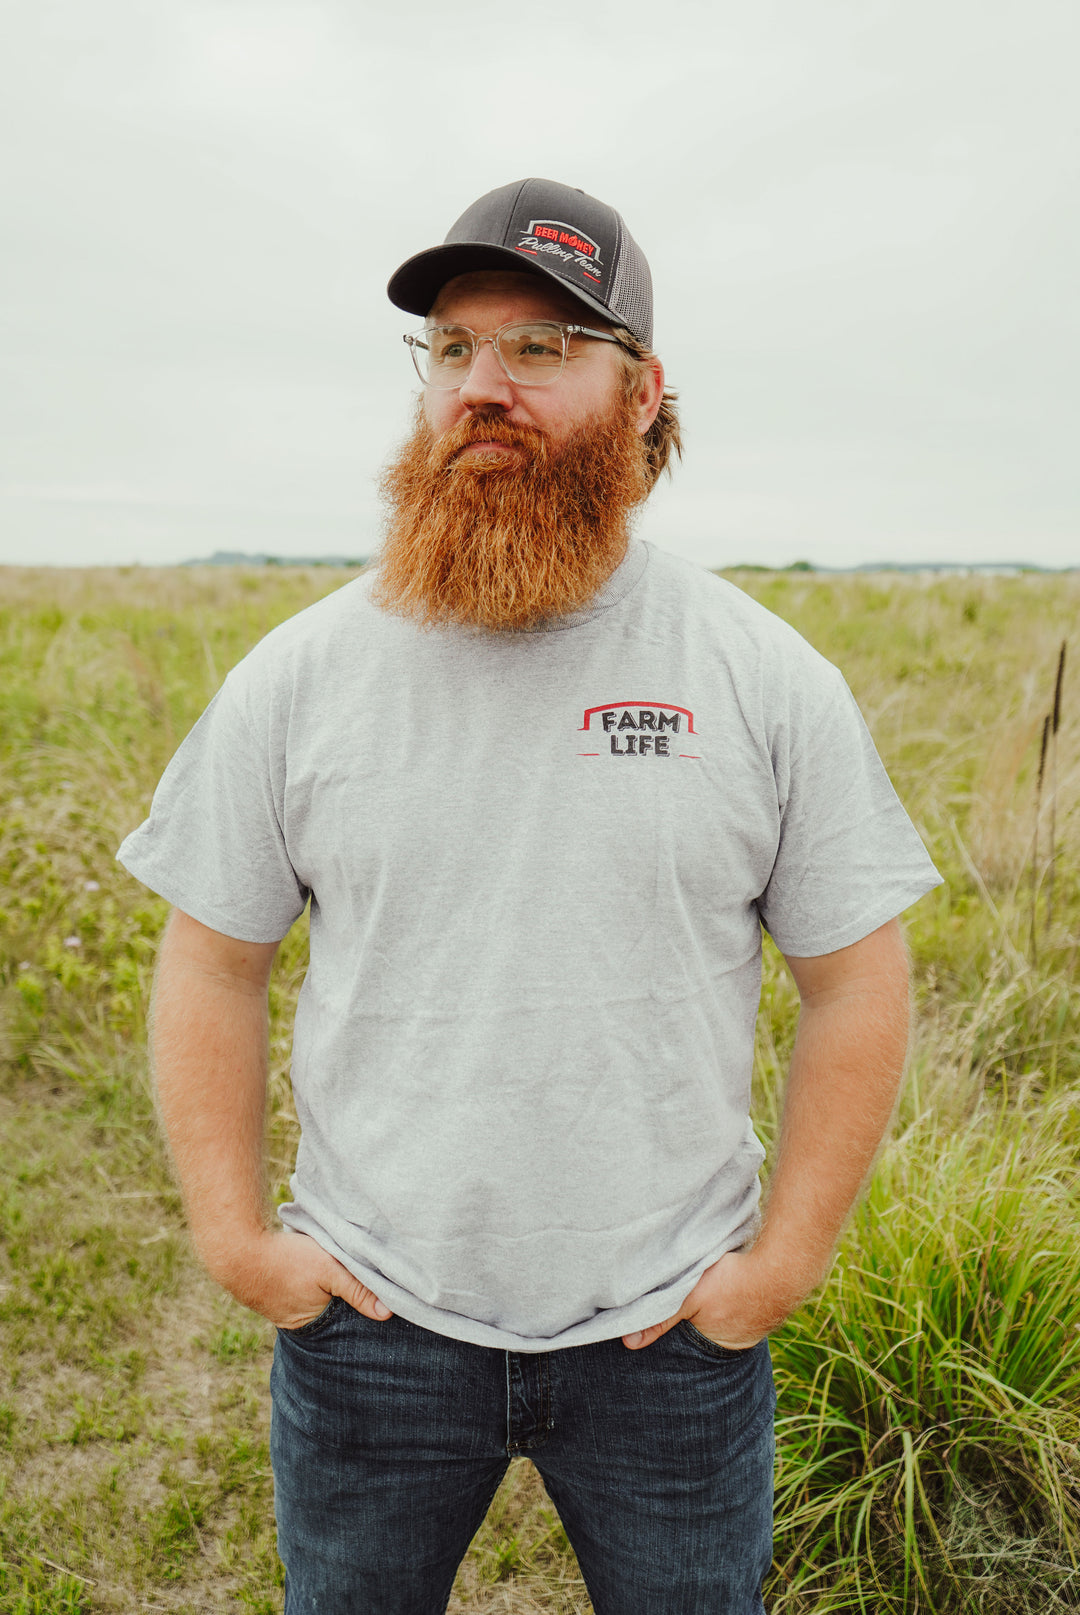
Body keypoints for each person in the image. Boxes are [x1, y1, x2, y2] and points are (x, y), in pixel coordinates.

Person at [118, 178, 942, 1614]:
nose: (482, 387)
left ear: (643, 391)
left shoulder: (759, 677)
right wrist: (238, 1240)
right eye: (452, 349)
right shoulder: (301, 678)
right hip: (372, 1323)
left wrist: (781, 1266)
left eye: (542, 349)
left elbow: (857, 980)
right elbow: (211, 962)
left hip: (669, 1340)